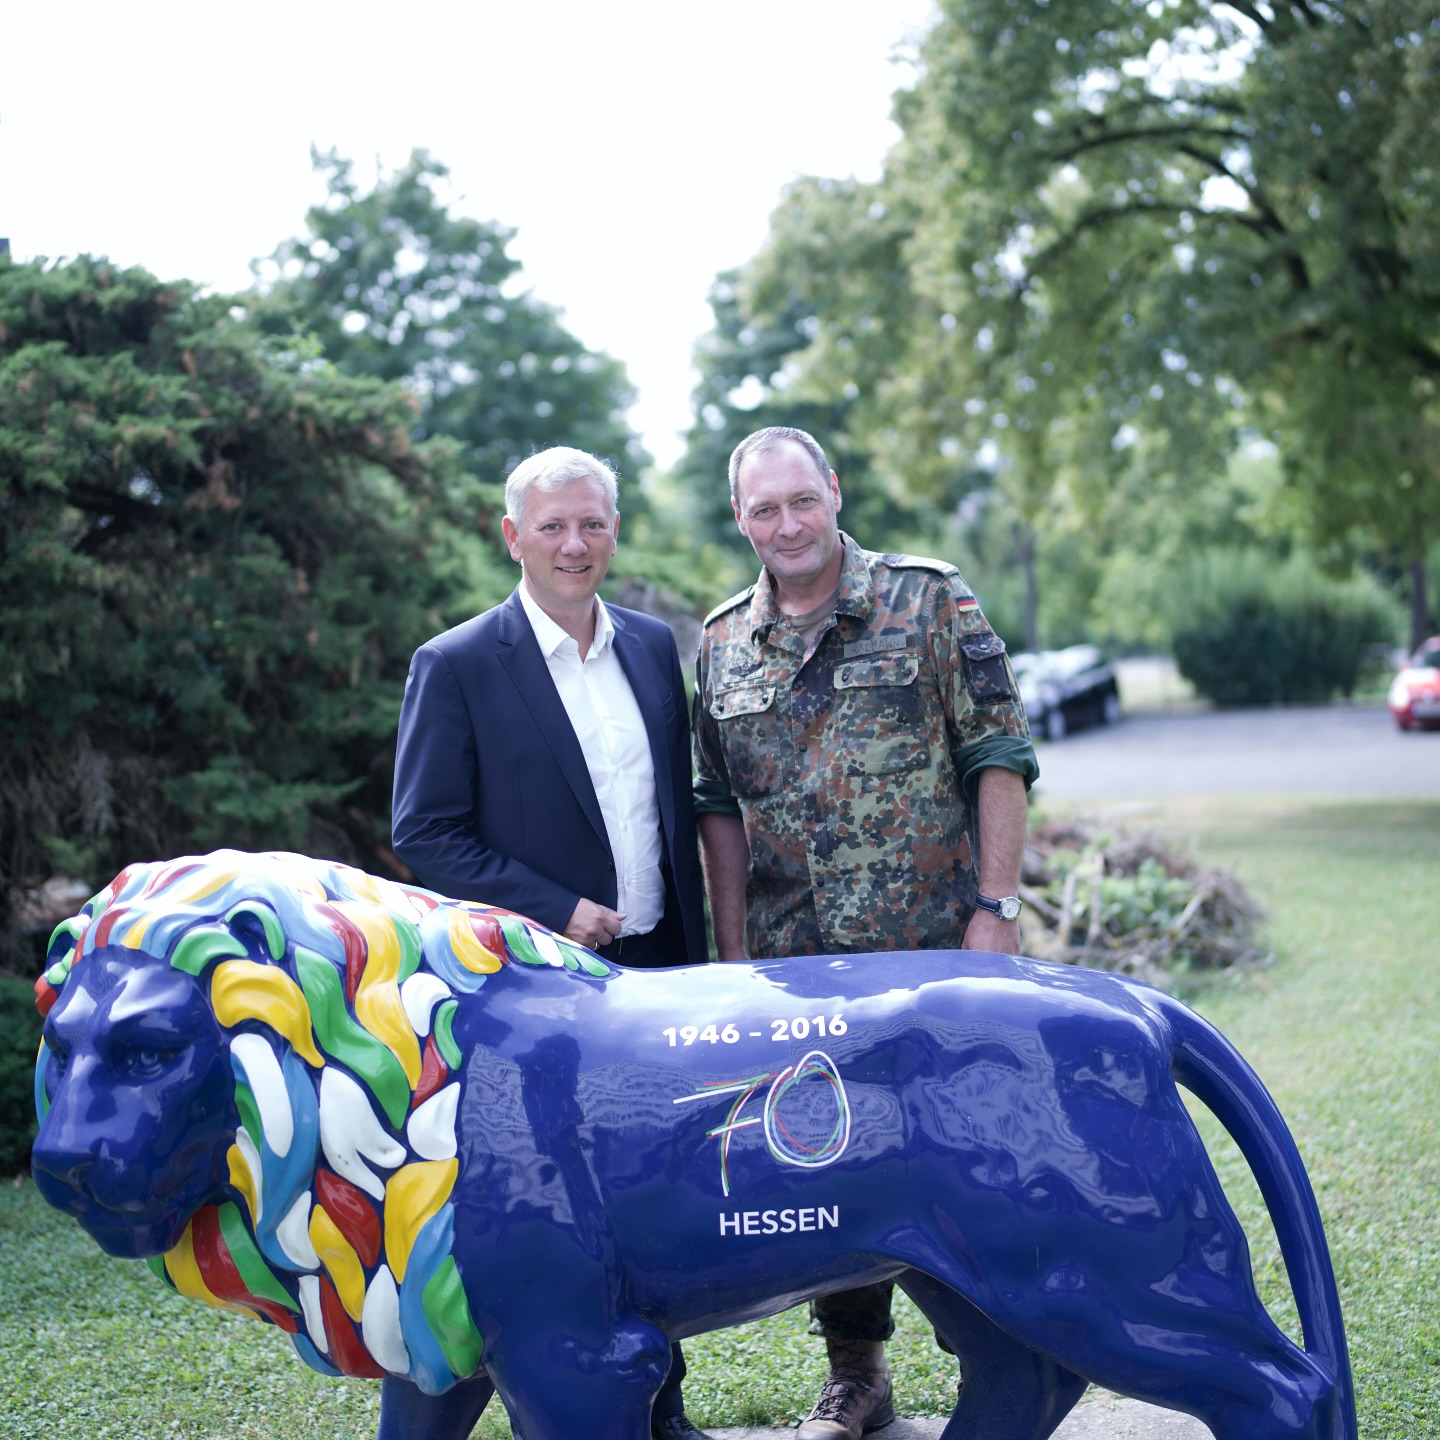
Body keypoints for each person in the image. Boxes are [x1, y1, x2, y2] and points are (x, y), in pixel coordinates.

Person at [691, 426, 1038, 1440]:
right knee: (830, 1166)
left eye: (802, 499)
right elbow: (716, 805)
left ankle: (1008, 1357)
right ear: (741, 517)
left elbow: (1000, 755)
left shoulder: (930, 599)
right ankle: (858, 1375)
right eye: (765, 509)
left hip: (934, 955)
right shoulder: (720, 642)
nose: (787, 524)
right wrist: (732, 959)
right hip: (798, 971)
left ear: (833, 491)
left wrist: (997, 909)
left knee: (967, 1153)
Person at [392, 445, 713, 1440]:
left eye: (594, 524)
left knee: (654, 1211)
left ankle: (663, 1414)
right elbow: (423, 831)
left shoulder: (655, 647)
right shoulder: (456, 665)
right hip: (538, 990)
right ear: (512, 536)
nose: (575, 545)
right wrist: (554, 906)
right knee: (560, 1221)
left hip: (658, 977)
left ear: (615, 531)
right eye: (553, 526)